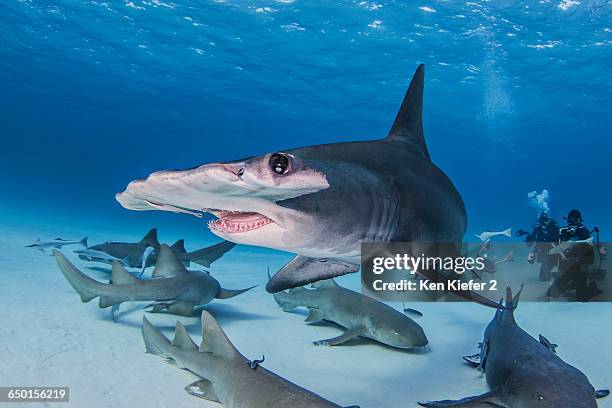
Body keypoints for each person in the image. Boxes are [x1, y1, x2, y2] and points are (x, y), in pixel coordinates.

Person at [547, 209, 601, 302]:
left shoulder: (583, 231)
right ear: (567, 221)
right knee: (551, 293)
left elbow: (591, 253)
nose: (572, 223)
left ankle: (592, 287)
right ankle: (567, 283)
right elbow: (554, 245)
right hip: (567, 267)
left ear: (579, 221)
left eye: (575, 220)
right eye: (570, 220)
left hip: (580, 268)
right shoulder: (563, 231)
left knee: (582, 297)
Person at [516, 212, 560, 281]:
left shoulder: (554, 228)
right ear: (539, 222)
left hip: (554, 254)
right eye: (541, 221)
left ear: (548, 220)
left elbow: (560, 240)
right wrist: (527, 235)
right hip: (544, 255)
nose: (543, 223)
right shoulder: (537, 230)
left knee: (560, 273)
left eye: (544, 220)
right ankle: (552, 276)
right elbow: (529, 244)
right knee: (542, 279)